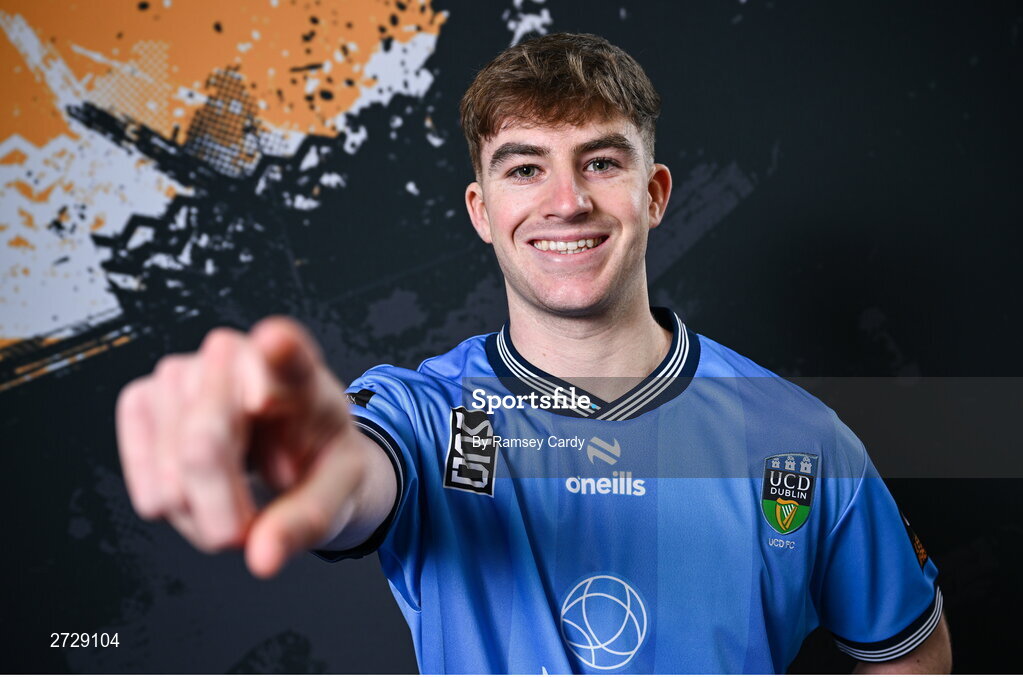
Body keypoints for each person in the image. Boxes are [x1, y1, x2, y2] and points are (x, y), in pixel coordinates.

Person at [116, 33, 952, 673]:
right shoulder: (425, 417)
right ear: (481, 211)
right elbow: (355, 473)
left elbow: (910, 652)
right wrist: (306, 457)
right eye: (524, 169)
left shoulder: (797, 437)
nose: (566, 201)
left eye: (600, 161)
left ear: (654, 193)